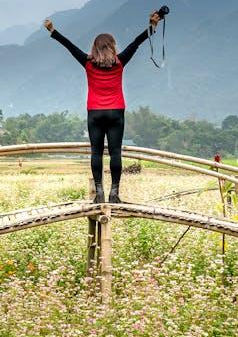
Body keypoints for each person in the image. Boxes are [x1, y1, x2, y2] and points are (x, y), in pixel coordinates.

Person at [44, 10, 161, 203]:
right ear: (112, 47)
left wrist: (52, 30)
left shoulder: (87, 62)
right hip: (116, 112)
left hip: (95, 113)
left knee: (96, 153)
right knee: (115, 153)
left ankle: (99, 193)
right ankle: (114, 193)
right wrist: (152, 26)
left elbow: (70, 46)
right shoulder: (120, 61)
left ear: (95, 47)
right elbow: (136, 43)